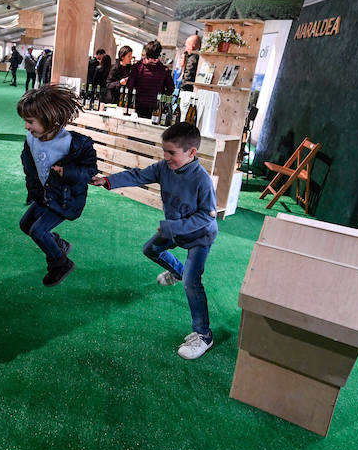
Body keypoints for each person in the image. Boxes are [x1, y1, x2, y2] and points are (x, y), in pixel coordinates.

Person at [91, 121, 217, 360]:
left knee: (192, 281)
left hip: (200, 237)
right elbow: (138, 175)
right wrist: (109, 181)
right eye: (164, 151)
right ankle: (177, 271)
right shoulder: (163, 168)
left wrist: (172, 226)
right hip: (174, 231)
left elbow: (205, 216)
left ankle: (203, 335)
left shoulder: (202, 180)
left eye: (172, 152)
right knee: (150, 250)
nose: (166, 157)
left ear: (192, 153)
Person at [19, 85, 98, 286]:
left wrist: (68, 172)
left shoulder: (74, 144)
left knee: (38, 231)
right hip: (45, 196)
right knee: (25, 225)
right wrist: (33, 190)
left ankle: (60, 263)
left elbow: (89, 170)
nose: (26, 127)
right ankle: (58, 245)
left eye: (30, 122)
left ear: (49, 120)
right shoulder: (32, 139)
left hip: (65, 199)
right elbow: (30, 165)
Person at [127, 40, 174, 119]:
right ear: (159, 53)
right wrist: (160, 92)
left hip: (137, 106)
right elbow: (171, 89)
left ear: (146, 52)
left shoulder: (137, 67)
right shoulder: (164, 70)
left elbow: (130, 85)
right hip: (155, 108)